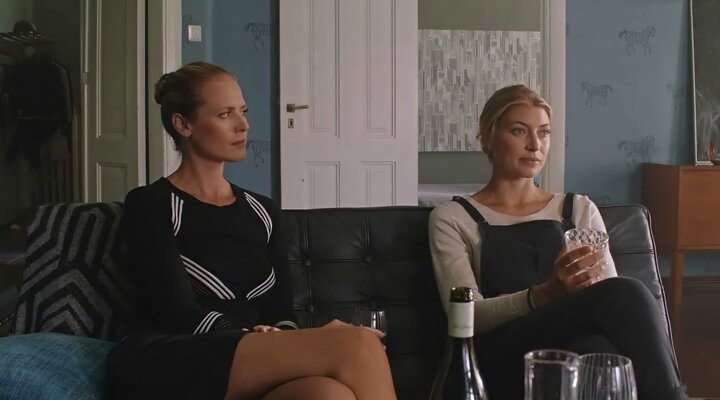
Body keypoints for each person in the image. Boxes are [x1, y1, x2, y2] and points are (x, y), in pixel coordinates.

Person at [106, 62, 396, 400]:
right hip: (169, 357)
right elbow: (176, 312)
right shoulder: (150, 203)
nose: (243, 125)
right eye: (225, 114)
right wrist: (253, 336)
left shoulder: (263, 210)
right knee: (357, 344)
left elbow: (282, 312)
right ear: (183, 124)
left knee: (328, 395)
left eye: (242, 111)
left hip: (248, 360)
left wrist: (277, 335)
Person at [428, 85, 687, 399]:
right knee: (628, 292)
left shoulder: (578, 209)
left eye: (544, 132)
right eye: (519, 131)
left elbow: (607, 294)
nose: (535, 144)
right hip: (500, 358)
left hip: (568, 347)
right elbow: (467, 315)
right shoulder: (453, 217)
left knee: (596, 349)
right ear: (487, 137)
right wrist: (545, 294)